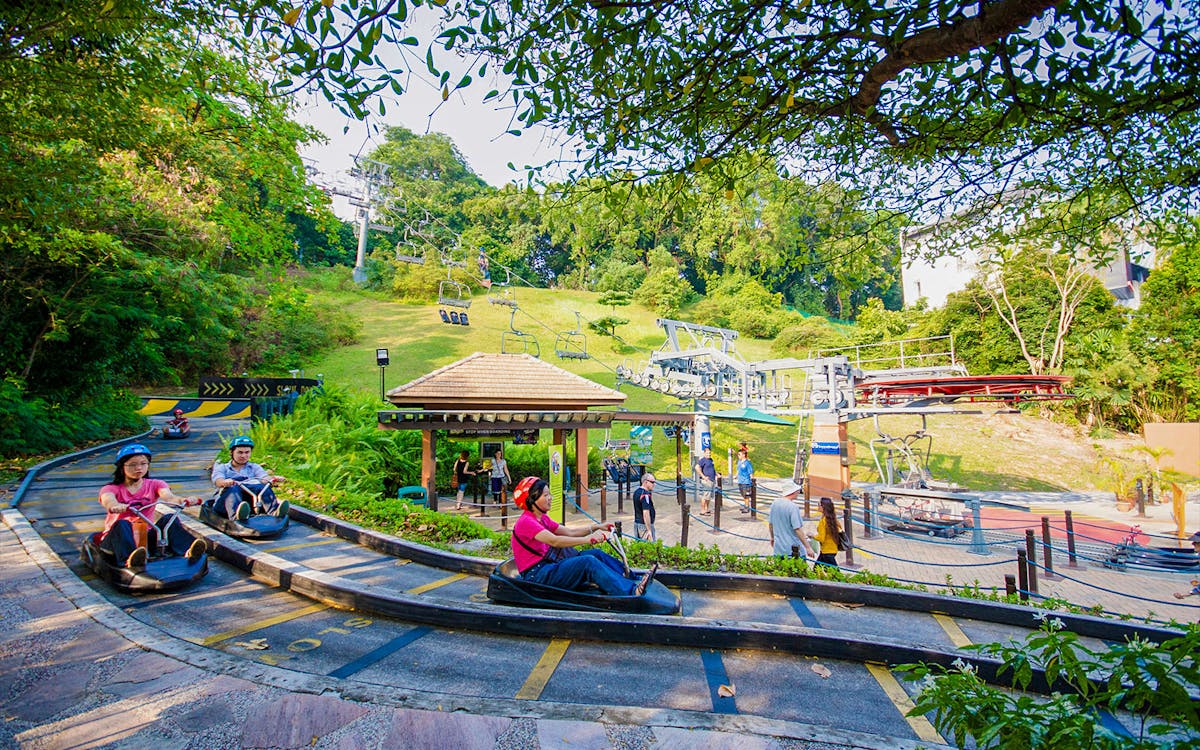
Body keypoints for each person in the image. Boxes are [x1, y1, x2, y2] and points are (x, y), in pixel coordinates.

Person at [510, 476, 655, 596]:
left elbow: (569, 532)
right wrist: (587, 539)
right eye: (545, 495)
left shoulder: (542, 518)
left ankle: (632, 578)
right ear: (531, 500)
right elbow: (555, 541)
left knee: (596, 554)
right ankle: (632, 592)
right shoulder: (526, 522)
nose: (550, 498)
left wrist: (596, 527)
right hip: (538, 574)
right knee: (588, 562)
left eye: (549, 494)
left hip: (549, 566)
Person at [98, 444, 205, 569]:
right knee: (123, 523)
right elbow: (108, 500)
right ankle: (130, 560)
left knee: (170, 518)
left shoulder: (155, 484)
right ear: (122, 466)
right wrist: (115, 506)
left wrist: (184, 500)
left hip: (145, 535)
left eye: (143, 463)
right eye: (133, 464)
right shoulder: (111, 488)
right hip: (117, 539)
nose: (139, 468)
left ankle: (189, 550)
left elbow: (169, 497)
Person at [210, 435, 288, 521]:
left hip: (249, 503)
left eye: (247, 452)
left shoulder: (254, 467)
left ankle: (274, 512)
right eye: (240, 452)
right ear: (232, 452)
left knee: (262, 487)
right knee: (232, 489)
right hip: (225, 505)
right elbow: (218, 481)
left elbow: (264, 478)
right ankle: (237, 517)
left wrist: (273, 479)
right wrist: (225, 482)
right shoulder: (222, 468)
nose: (243, 456)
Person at [768, 482, 814, 560]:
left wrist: (772, 538)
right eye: (797, 490)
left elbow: (771, 524)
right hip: (793, 549)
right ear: (793, 492)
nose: (798, 492)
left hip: (779, 548)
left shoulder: (774, 504)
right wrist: (808, 547)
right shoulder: (793, 507)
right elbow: (798, 529)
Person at [814, 496, 842, 567]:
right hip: (832, 549)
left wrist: (811, 535)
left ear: (823, 507)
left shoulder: (823, 521)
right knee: (817, 568)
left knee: (835, 573)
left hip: (826, 551)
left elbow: (821, 538)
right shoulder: (832, 519)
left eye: (819, 504)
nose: (818, 506)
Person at [632, 473, 657, 542]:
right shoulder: (645, 495)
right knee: (650, 548)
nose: (654, 484)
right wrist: (649, 530)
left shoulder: (637, 492)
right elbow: (646, 513)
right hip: (644, 525)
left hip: (637, 523)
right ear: (646, 482)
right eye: (652, 482)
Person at [694, 446, 718, 516]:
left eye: (709, 453)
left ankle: (707, 509)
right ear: (704, 453)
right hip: (706, 480)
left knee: (709, 496)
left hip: (712, 479)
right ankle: (702, 510)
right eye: (707, 453)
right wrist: (703, 476)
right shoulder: (702, 460)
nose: (709, 454)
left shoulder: (711, 460)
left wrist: (716, 474)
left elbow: (712, 468)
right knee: (705, 495)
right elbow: (697, 467)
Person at [735, 448, 754, 513]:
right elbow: (738, 470)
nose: (738, 456)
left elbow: (750, 472)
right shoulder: (739, 462)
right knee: (743, 494)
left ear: (743, 455)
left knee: (746, 495)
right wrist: (736, 476)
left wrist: (752, 481)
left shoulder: (747, 463)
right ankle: (745, 506)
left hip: (746, 482)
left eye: (739, 454)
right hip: (740, 481)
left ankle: (747, 507)